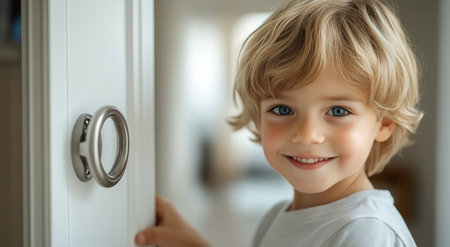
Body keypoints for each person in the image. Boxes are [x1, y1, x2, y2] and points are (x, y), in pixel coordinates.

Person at [135, 0, 423, 246]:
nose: (307, 135)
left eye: (337, 111)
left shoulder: (367, 232)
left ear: (384, 123)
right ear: (258, 117)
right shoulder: (276, 216)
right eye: (283, 109)